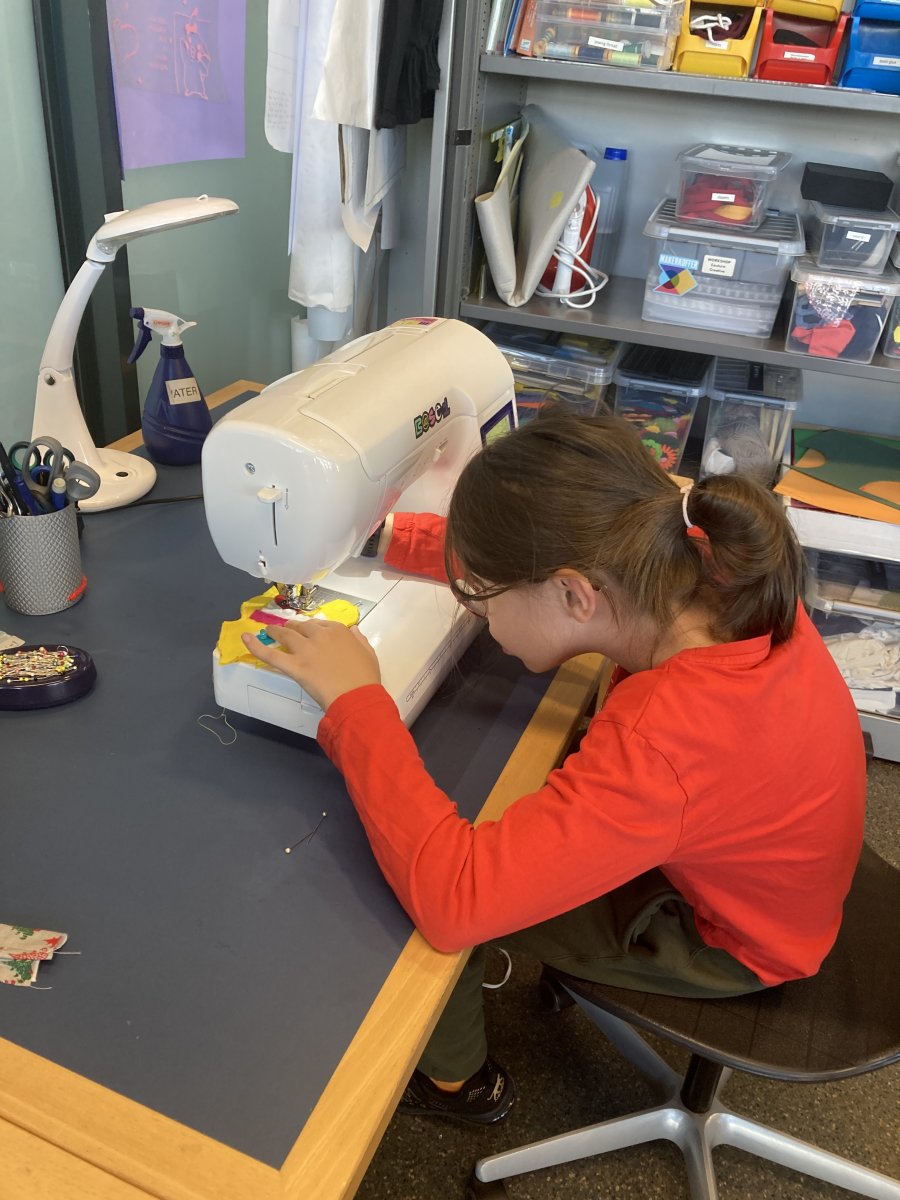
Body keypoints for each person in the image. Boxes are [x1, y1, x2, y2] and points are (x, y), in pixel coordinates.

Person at [242, 407, 866, 1128]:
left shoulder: (665, 743)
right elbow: (548, 553)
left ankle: (457, 1085)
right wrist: (387, 538)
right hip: (776, 868)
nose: (476, 611)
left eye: (480, 596)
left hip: (732, 940)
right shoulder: (716, 570)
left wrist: (357, 703)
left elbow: (456, 897)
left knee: (414, 884)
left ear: (574, 595)